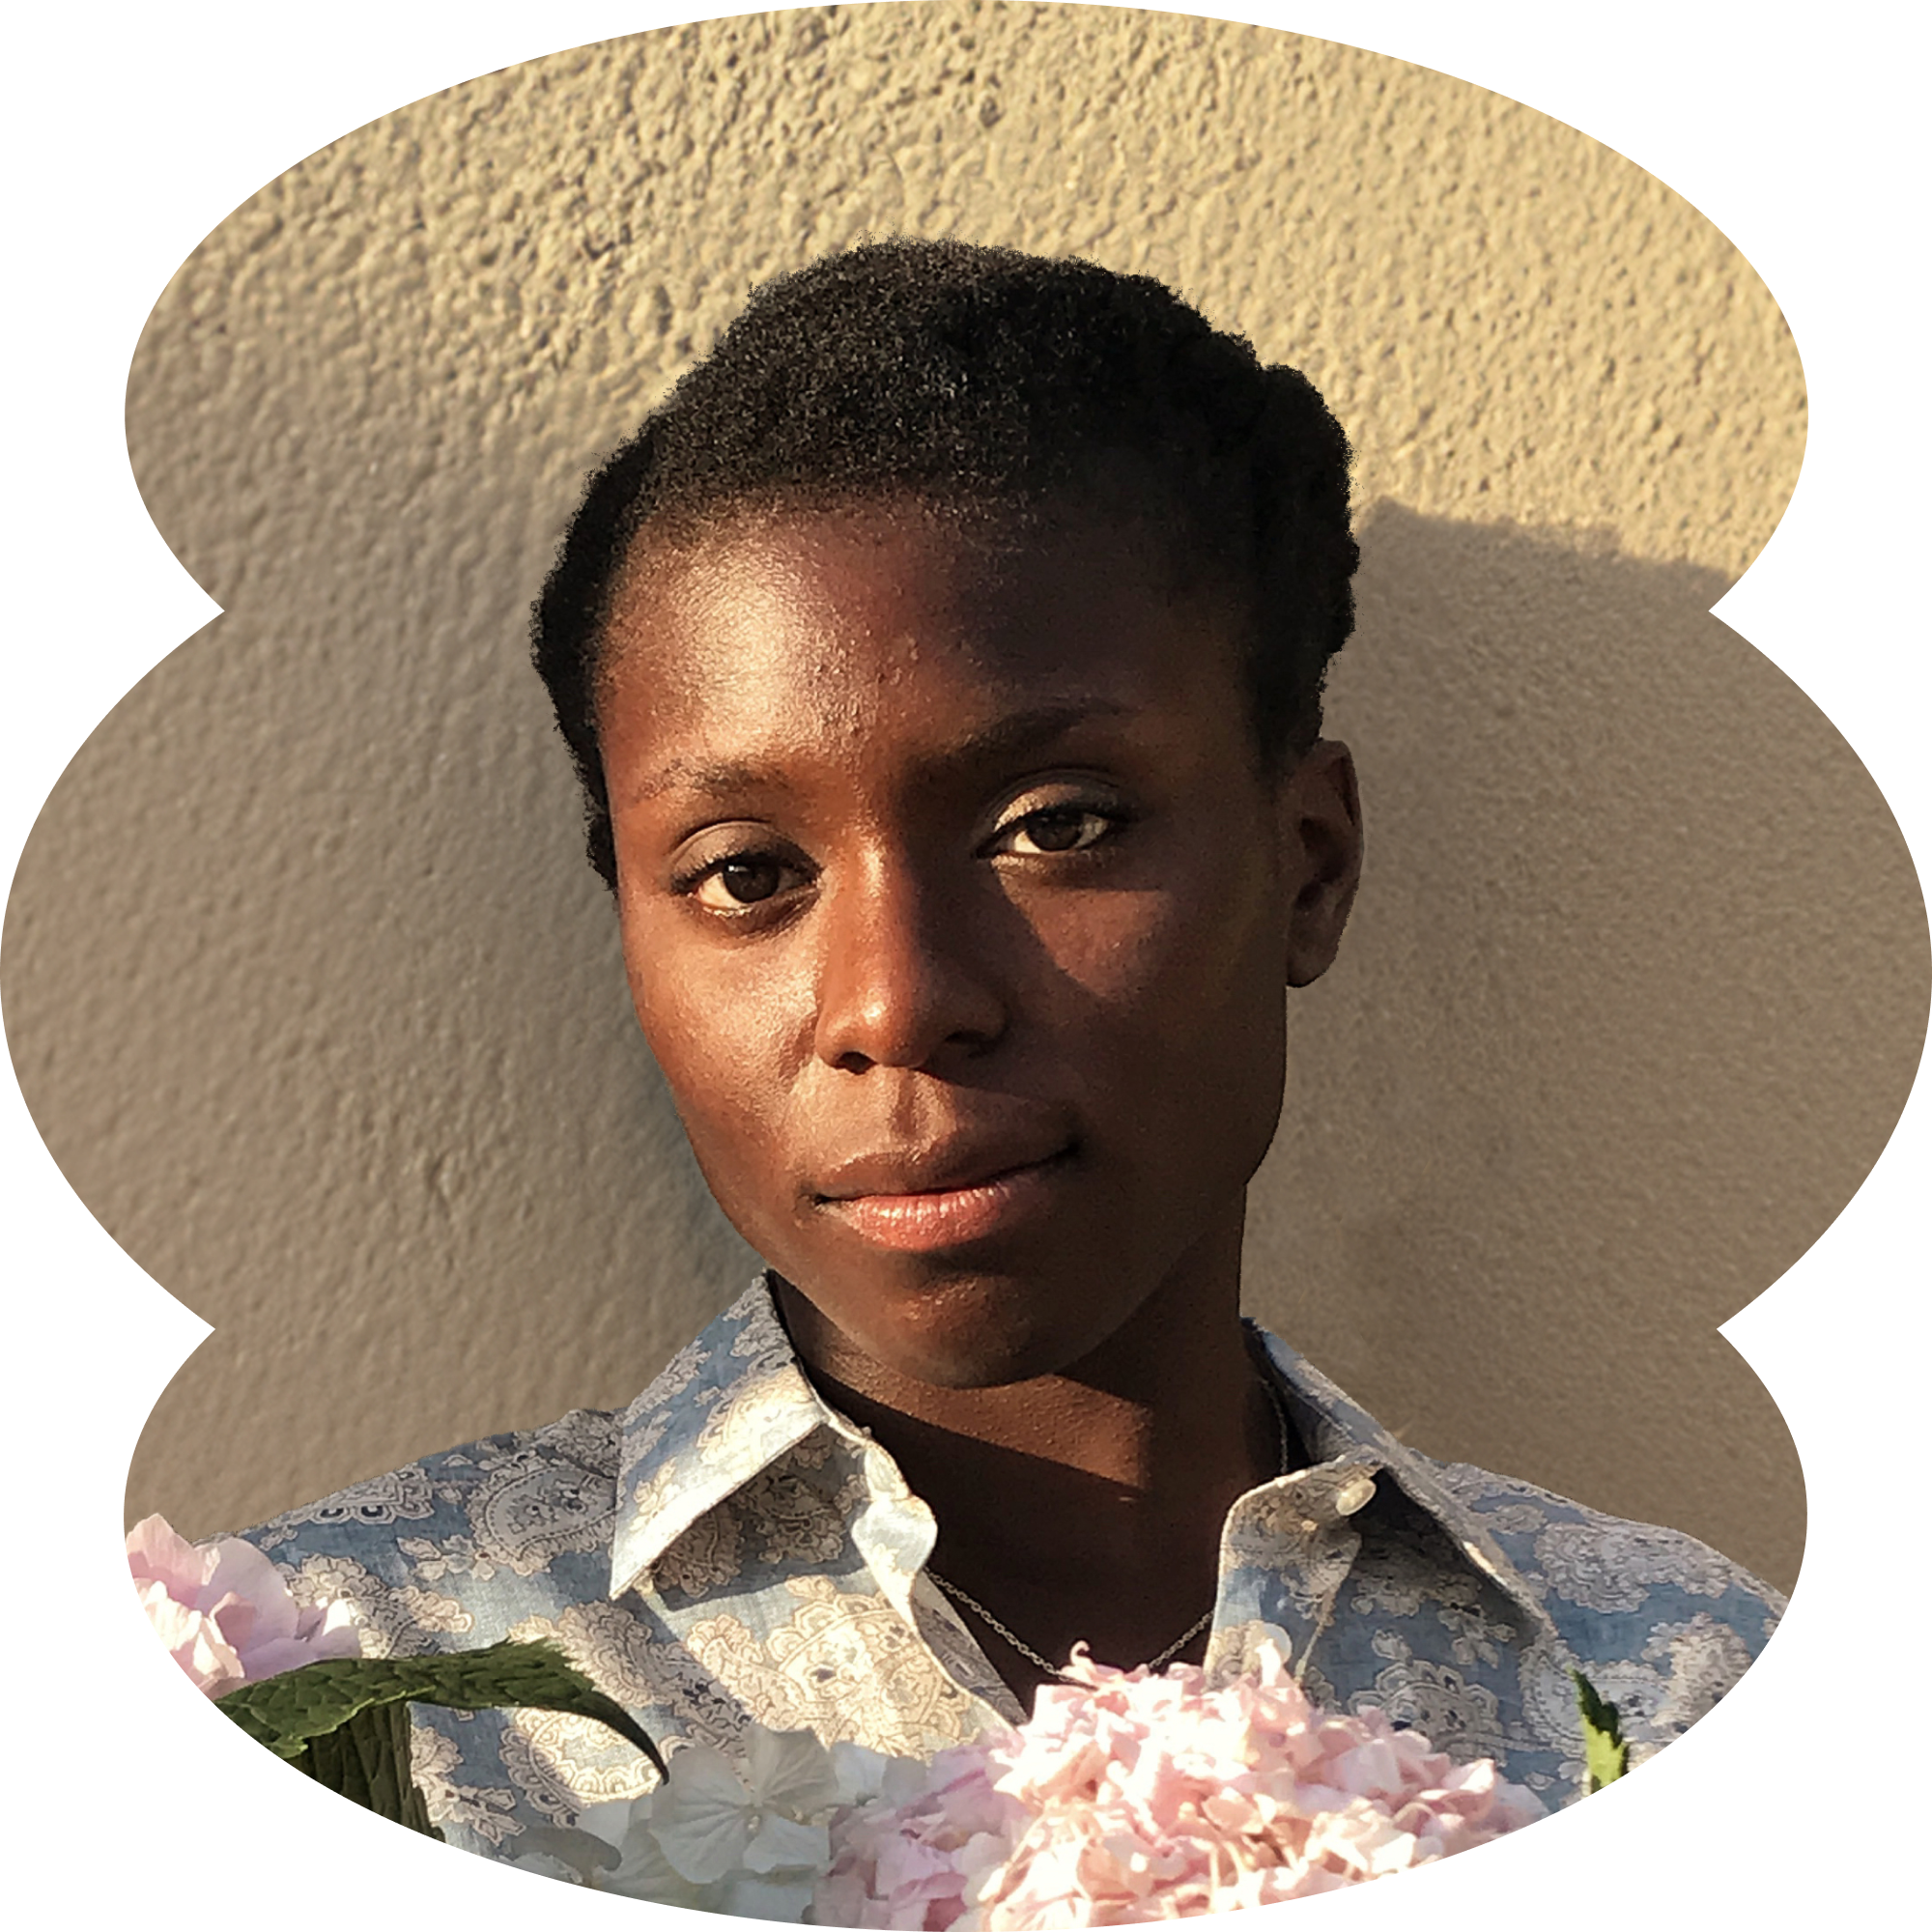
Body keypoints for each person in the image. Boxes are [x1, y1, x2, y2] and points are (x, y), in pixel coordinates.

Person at [194, 237, 1785, 1862]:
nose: (895, 1003)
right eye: (748, 873)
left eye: (1056, 826)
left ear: (1306, 865)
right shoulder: (359, 1694)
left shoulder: (1659, 1675)